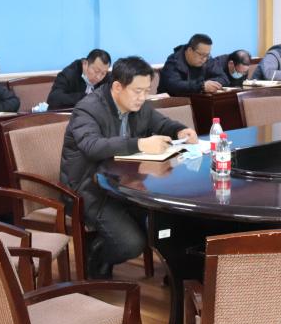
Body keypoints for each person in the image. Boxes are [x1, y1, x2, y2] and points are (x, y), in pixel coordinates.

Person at [60, 56, 198, 278]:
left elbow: (161, 123)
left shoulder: (139, 106)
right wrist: (140, 144)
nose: (143, 97)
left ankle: (178, 276)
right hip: (89, 189)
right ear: (117, 87)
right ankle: (97, 253)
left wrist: (180, 130)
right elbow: (92, 146)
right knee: (131, 244)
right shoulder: (88, 109)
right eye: (137, 91)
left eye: (146, 91)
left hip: (127, 184)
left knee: (171, 223)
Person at [159, 33, 226, 95]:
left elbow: (223, 78)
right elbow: (174, 86)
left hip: (197, 100)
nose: (204, 59)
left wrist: (209, 85)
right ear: (190, 50)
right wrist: (201, 86)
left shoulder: (207, 59)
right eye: (201, 54)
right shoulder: (174, 61)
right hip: (171, 101)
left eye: (207, 55)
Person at [47, 49, 112, 110]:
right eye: (96, 71)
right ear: (85, 64)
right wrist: (85, 97)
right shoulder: (69, 74)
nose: (98, 77)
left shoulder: (106, 76)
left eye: (103, 73)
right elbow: (53, 98)